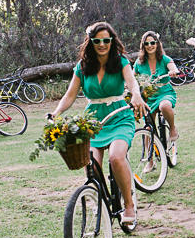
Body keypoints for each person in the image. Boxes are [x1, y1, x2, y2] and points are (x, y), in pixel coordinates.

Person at [48, 22, 147, 224]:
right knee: (91, 164)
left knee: (116, 157)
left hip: (119, 116)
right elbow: (70, 95)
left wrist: (136, 93)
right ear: (90, 42)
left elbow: (131, 81)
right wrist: (56, 112)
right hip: (93, 120)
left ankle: (129, 204)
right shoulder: (82, 67)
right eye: (97, 41)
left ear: (112, 41)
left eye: (106, 40)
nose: (102, 44)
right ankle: (99, 198)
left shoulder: (120, 62)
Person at [133, 31, 180, 141]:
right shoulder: (139, 62)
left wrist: (173, 71)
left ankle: (172, 128)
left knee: (164, 106)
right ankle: (150, 157)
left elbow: (173, 67)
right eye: (146, 44)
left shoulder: (164, 59)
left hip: (165, 92)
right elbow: (131, 77)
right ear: (143, 46)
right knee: (149, 128)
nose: (150, 46)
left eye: (152, 43)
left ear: (157, 44)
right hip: (148, 97)